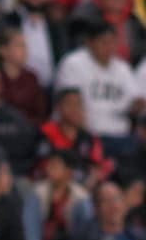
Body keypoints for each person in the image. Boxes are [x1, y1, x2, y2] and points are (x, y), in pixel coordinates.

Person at [54, 19, 139, 158]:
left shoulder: (122, 68)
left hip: (122, 136)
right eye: (103, 42)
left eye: (112, 42)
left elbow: (136, 100)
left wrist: (138, 104)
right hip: (88, 136)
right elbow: (67, 106)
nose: (109, 47)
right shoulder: (73, 63)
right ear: (89, 42)